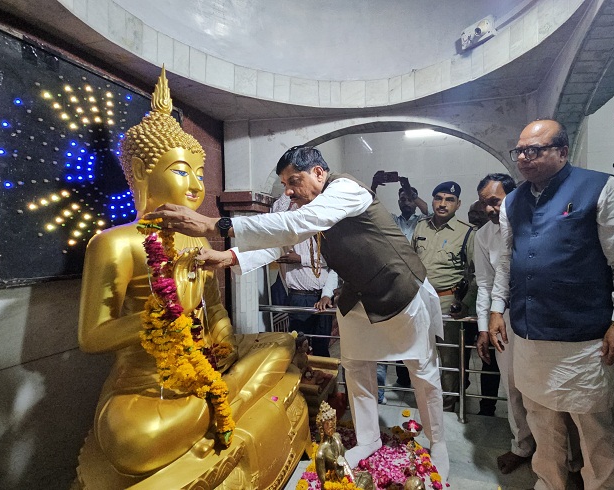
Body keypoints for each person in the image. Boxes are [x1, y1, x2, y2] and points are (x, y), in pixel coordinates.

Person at [147, 146, 450, 480]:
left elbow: (296, 224)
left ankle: (438, 443)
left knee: (422, 371)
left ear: (319, 172)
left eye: (294, 181)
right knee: (356, 368)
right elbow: (282, 243)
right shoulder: (314, 206)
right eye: (283, 184)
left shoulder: (345, 189)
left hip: (400, 291)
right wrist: (230, 258)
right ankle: (368, 439)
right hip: (358, 298)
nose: (288, 191)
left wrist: (214, 225)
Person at [76, 69, 299, 482]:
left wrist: (224, 338)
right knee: (132, 443)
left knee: (283, 343)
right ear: (142, 171)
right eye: (182, 172)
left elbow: (213, 306)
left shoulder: (195, 239)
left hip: (203, 366)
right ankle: (223, 402)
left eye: (199, 173)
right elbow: (92, 337)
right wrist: (156, 318)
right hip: (145, 388)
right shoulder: (114, 244)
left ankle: (218, 398)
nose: (196, 185)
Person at [489, 119, 614, 489]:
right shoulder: (513, 201)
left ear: (562, 151)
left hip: (584, 340)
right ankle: (549, 483)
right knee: (541, 422)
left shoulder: (600, 187)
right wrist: (497, 309)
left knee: (595, 433)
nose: (524, 157)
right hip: (528, 336)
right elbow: (506, 261)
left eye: (534, 149)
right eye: (520, 150)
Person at [473, 172, 535, 474]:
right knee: (511, 386)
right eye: (485, 204)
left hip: (539, 313)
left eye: (494, 202)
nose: (489, 209)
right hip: (504, 318)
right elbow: (485, 284)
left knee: (541, 386)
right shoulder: (484, 235)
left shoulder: (534, 222)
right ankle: (522, 446)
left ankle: (562, 454)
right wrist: (483, 328)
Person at [412, 181, 475, 413]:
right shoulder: (421, 228)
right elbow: (410, 263)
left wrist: (465, 303)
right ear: (432, 201)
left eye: (449, 199)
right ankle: (424, 400)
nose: (442, 203)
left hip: (448, 303)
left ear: (458, 204)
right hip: (419, 301)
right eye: (438, 198)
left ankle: (447, 406)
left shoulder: (467, 232)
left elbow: (477, 274)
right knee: (421, 355)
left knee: (449, 359)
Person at [371, 173, 428, 395]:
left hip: (415, 285)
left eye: (409, 199)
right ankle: (384, 389)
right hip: (391, 284)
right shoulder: (392, 221)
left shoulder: (423, 222)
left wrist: (410, 189)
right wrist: (374, 184)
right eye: (402, 199)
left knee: (410, 336)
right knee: (389, 335)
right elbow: (369, 208)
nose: (405, 201)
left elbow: (430, 211)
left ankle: (409, 381)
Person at [273, 194, 334, 357]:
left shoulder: (323, 229)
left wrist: (301, 259)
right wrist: (289, 192)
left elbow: (331, 261)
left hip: (323, 297)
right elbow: (275, 214)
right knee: (299, 347)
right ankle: (301, 381)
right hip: (299, 297)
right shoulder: (290, 227)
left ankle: (322, 381)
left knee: (322, 347)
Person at [315, 401, 374, 489]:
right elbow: (324, 482)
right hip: (335, 484)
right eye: (326, 424)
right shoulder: (321, 453)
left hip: (345, 475)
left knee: (367, 477)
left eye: (332, 420)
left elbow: (343, 459)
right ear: (322, 427)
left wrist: (351, 478)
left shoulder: (337, 437)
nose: (330, 425)